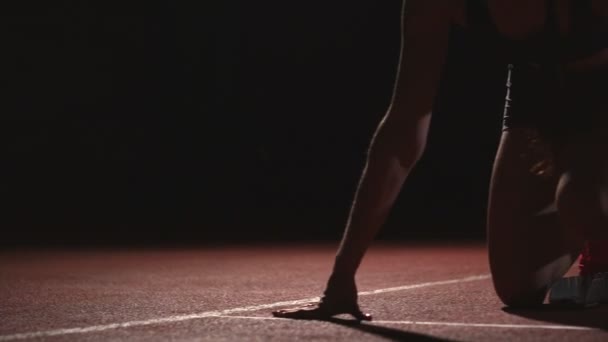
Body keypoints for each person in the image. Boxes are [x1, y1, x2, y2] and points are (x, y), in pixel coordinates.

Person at [273, 0, 608, 320]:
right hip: (536, 95)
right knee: (518, 287)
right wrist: (342, 275)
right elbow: (405, 127)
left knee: (581, 198)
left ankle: (599, 258)